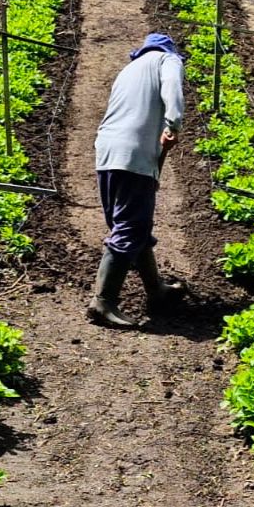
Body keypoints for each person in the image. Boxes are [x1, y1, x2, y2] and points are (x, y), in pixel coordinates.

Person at [89, 33, 187, 328]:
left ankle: (156, 290)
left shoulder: (129, 69)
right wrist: (173, 123)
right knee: (131, 226)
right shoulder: (166, 60)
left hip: (107, 151)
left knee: (133, 224)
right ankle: (103, 302)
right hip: (134, 154)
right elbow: (172, 86)